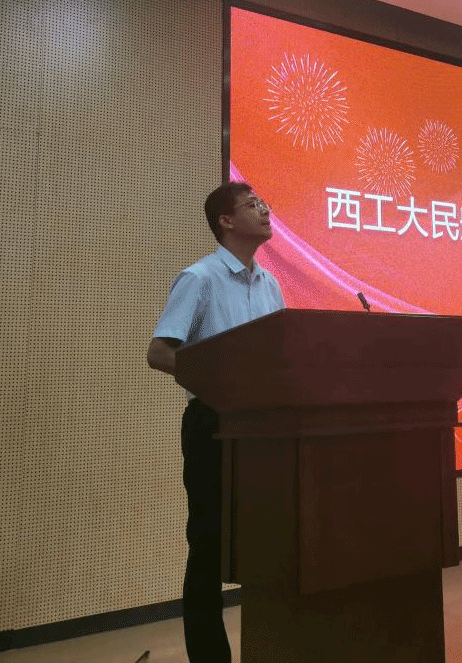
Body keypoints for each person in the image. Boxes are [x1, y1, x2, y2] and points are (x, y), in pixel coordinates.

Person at [147, 181, 285, 663]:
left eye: (264, 203)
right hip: (213, 424)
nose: (265, 210)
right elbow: (160, 352)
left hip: (264, 429)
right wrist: (221, 385)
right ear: (225, 221)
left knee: (271, 539)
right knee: (208, 546)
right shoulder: (200, 278)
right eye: (253, 204)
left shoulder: (271, 285)